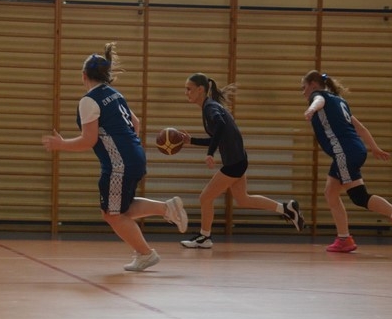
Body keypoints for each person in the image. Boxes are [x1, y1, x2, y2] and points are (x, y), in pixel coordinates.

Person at [41, 42, 187, 271]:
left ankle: (146, 254)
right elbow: (135, 123)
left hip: (119, 164)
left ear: (83, 75)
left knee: (112, 214)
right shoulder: (115, 94)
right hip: (135, 156)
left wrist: (61, 144)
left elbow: (88, 140)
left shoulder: (89, 101)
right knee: (121, 209)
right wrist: (126, 147)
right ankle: (166, 209)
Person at [178, 73, 304, 249]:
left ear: (200, 89)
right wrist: (192, 141)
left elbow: (220, 125)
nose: (186, 92)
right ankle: (286, 208)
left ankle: (205, 237)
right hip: (238, 160)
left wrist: (210, 153)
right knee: (243, 199)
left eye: (189, 89)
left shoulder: (210, 108)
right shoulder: (210, 106)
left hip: (234, 163)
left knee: (205, 197)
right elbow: (218, 137)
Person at [301, 70, 392, 252]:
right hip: (354, 150)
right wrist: (374, 147)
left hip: (344, 152)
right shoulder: (339, 101)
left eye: (304, 87)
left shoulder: (319, 96)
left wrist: (312, 109)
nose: (303, 92)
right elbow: (360, 128)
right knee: (331, 193)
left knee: (358, 196)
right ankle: (344, 238)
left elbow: (318, 100)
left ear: (313, 85)